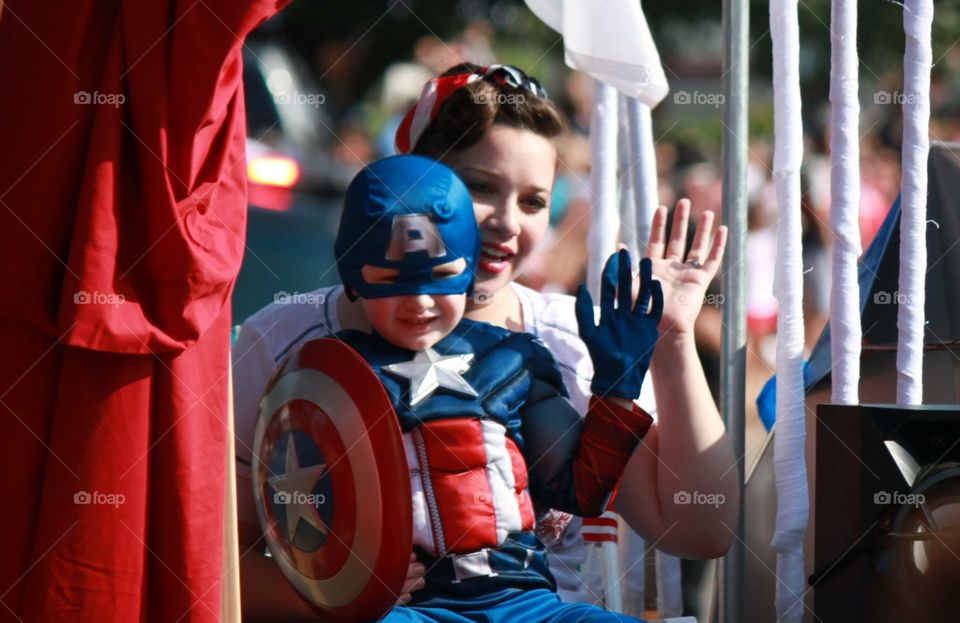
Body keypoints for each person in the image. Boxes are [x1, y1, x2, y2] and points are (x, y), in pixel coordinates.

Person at [233, 64, 738, 617]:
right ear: (412, 177)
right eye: (480, 187)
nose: (505, 222)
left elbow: (700, 530)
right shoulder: (283, 339)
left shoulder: (570, 339)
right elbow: (213, 559)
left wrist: (672, 340)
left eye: (533, 201)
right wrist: (341, 600)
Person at [263, 152, 660, 621]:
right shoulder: (326, 377)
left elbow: (579, 492)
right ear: (355, 279)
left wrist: (616, 388)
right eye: (393, 281)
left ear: (470, 267)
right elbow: (297, 507)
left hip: (526, 605)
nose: (420, 303)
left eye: (442, 276)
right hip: (408, 609)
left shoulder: (515, 357)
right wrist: (356, 575)